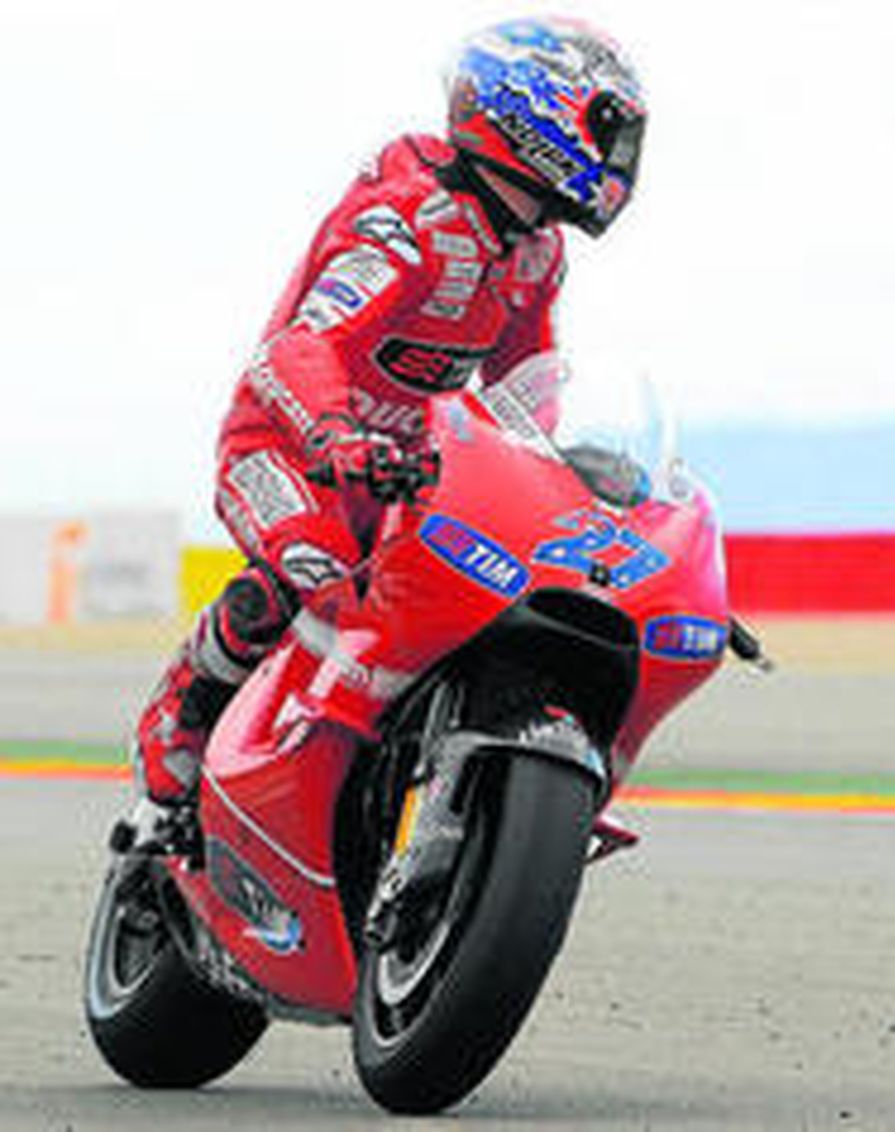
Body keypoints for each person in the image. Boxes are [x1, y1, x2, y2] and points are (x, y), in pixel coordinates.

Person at [132, 17, 648, 805]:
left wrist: (563, 477)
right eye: (605, 130)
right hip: (287, 450)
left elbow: (526, 395)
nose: (618, 159)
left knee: (477, 601)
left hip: (412, 473)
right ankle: (184, 713)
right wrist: (335, 433)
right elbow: (299, 349)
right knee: (314, 573)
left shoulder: (537, 254)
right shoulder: (410, 219)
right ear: (536, 112)